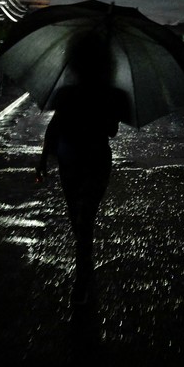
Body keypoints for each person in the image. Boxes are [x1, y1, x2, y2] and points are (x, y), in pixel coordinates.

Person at [35, 35, 129, 306]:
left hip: (71, 158)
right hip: (95, 158)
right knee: (84, 214)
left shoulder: (67, 92)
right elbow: (111, 131)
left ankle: (84, 264)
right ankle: (84, 261)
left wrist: (44, 158)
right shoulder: (112, 94)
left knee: (79, 213)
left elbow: (55, 127)